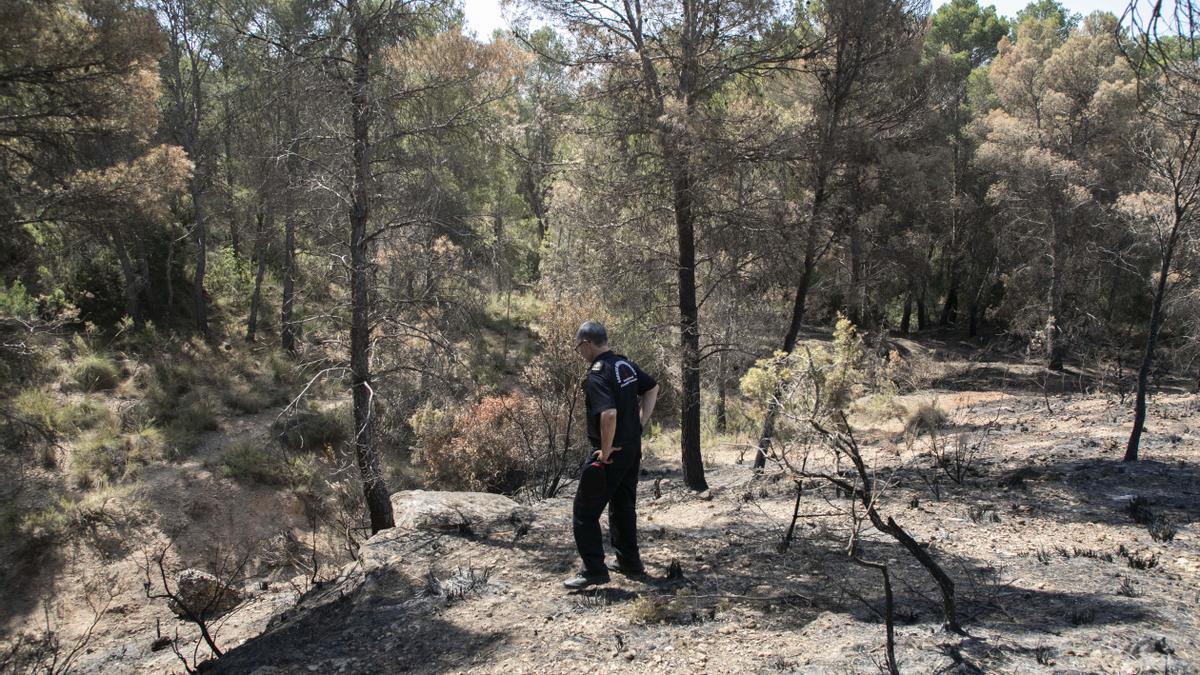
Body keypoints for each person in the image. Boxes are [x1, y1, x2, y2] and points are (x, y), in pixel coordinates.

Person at [563, 320, 659, 590]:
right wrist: (640, 423)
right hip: (632, 449)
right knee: (623, 505)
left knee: (584, 511)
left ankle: (593, 569)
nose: (579, 352)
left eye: (578, 347)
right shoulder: (623, 365)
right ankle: (629, 560)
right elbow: (652, 388)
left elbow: (609, 414)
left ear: (587, 343)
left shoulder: (598, 373)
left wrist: (604, 452)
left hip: (612, 453)